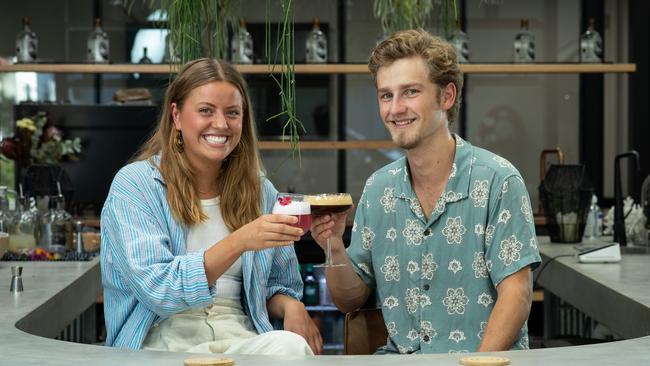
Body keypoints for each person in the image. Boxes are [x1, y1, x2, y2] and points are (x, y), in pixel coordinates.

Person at [311, 29, 541, 354]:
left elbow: (517, 295)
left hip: (482, 360)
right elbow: (350, 300)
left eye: (410, 92)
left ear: (446, 97)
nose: (395, 109)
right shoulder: (378, 189)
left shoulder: (498, 181)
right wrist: (333, 246)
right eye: (386, 95)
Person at [101, 58, 322, 355]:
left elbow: (276, 285)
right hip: (162, 341)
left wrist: (292, 305)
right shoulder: (135, 186)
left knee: (290, 348)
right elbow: (158, 291)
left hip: (239, 338)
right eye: (206, 110)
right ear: (176, 116)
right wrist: (238, 242)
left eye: (232, 113)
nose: (221, 124)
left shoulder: (260, 192)